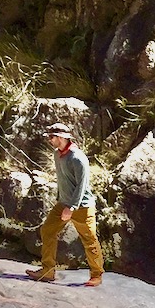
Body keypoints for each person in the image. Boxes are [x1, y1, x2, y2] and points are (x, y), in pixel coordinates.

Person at [26, 122, 104, 286]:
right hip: (63, 203)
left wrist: (72, 207)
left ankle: (96, 275)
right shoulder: (57, 154)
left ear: (61, 137)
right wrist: (61, 200)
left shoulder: (77, 158)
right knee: (47, 230)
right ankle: (47, 271)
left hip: (82, 206)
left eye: (51, 137)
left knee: (89, 239)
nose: (49, 140)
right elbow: (63, 180)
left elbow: (82, 185)